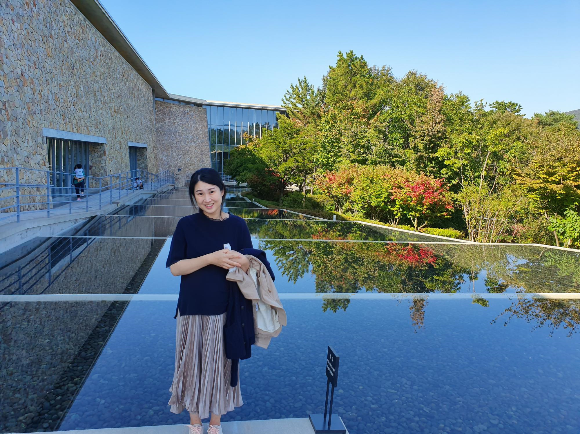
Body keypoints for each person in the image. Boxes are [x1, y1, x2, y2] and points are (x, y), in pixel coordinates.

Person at [166, 168, 253, 434]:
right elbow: (175, 268)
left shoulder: (238, 225)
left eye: (211, 191)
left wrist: (243, 260)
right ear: (194, 197)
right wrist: (211, 259)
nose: (207, 199)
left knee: (220, 368)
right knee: (191, 367)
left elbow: (250, 264)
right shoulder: (186, 225)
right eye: (200, 193)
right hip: (192, 309)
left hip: (226, 311)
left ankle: (215, 424)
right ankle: (195, 423)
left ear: (222, 192)